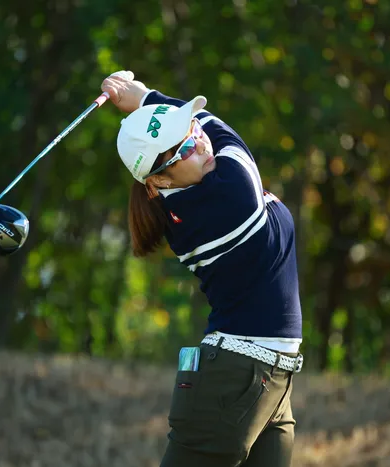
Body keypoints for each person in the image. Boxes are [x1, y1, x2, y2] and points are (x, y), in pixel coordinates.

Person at [101, 70, 304, 467]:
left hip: (269, 383)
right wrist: (144, 97)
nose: (200, 143)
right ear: (158, 181)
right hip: (234, 380)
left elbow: (204, 125)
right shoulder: (230, 194)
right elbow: (222, 129)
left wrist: (152, 107)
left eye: (192, 130)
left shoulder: (187, 198)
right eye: (184, 148)